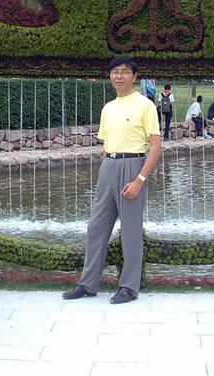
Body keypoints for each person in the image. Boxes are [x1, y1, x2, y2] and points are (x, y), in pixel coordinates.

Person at [62, 56, 161, 304]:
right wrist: (103, 175)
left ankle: (129, 287)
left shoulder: (145, 105)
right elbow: (106, 146)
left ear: (134, 76)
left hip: (132, 166)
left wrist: (140, 180)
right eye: (115, 71)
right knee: (96, 228)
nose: (119, 76)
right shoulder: (108, 107)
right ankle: (87, 284)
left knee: (130, 231)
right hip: (109, 167)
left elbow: (156, 147)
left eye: (125, 72)